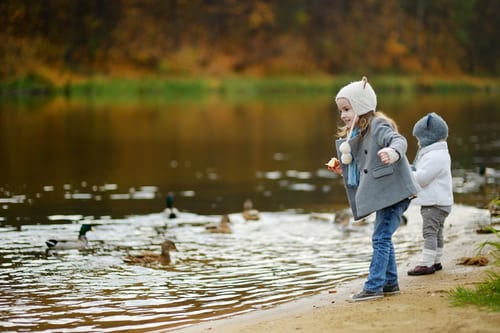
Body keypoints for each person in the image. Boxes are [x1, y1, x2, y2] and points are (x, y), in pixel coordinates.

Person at [327, 76, 418, 302]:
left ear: (361, 105)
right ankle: (390, 283)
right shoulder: (356, 134)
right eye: (341, 110)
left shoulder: (378, 125)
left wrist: (393, 152)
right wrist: (342, 171)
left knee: (380, 237)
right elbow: (362, 167)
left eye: (347, 109)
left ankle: (374, 286)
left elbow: (399, 140)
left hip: (395, 192)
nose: (343, 115)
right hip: (383, 193)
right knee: (383, 236)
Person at [407, 113, 453, 275]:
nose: (418, 142)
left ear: (429, 137)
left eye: (419, 138)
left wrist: (407, 174)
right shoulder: (439, 153)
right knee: (438, 232)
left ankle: (426, 263)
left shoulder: (434, 156)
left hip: (434, 203)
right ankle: (436, 260)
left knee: (429, 233)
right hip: (442, 202)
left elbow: (421, 178)